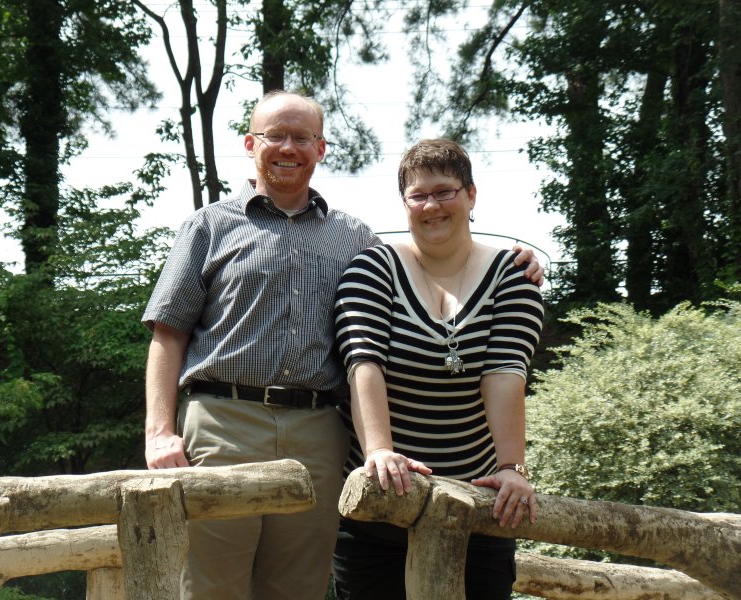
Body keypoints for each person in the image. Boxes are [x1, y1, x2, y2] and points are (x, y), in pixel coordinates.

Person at [142, 91, 543, 600]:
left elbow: (425, 265)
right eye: (275, 136)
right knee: (212, 585)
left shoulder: (354, 238)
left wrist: (518, 262)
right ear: (250, 144)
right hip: (224, 420)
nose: (289, 148)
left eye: (302, 137)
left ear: (321, 148)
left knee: (299, 587)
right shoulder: (209, 225)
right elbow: (168, 331)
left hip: (320, 430)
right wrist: (159, 432)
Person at [332, 138, 544, 600]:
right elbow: (363, 363)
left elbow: (506, 373)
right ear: (405, 204)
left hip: (479, 503)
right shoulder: (372, 269)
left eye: (445, 191)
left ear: (471, 195)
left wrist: (511, 467)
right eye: (418, 195)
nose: (432, 206)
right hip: (381, 501)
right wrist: (380, 452)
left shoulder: (513, 275)